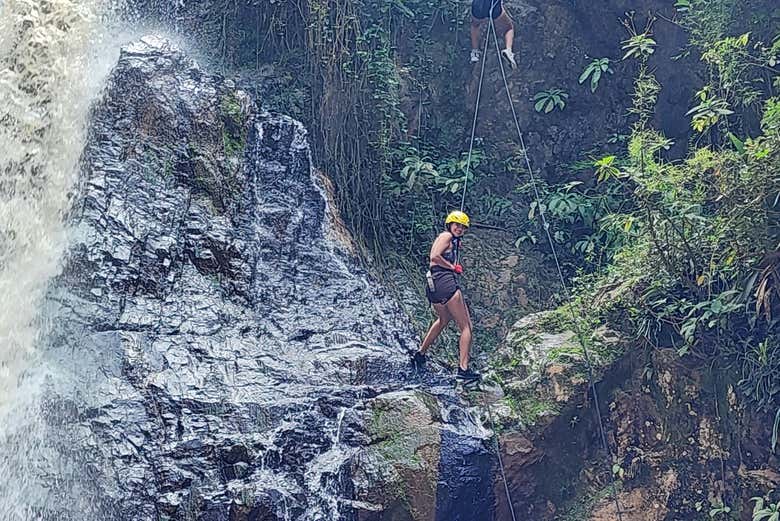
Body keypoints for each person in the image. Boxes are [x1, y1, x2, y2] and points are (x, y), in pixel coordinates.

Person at [412, 210, 481, 383]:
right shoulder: (446, 236)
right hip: (445, 282)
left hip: (434, 285)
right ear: (450, 224)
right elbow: (434, 256)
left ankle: (420, 354)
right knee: (466, 326)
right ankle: (463, 369)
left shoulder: (452, 241)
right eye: (457, 225)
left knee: (443, 320)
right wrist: (452, 267)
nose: (460, 229)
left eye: (463, 227)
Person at [470, 0, 517, 69]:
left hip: (478, 5)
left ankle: (475, 52)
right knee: (508, 27)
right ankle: (508, 50)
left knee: (475, 25)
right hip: (493, 5)